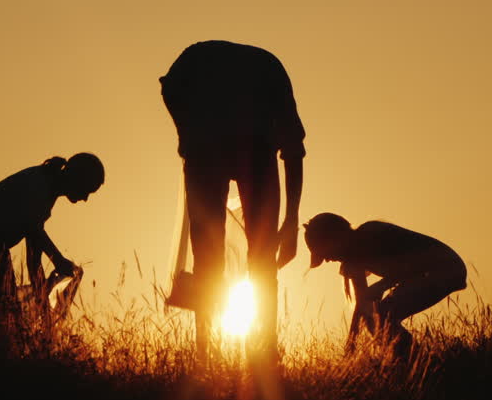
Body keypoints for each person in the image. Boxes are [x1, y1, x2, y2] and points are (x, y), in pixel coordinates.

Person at [160, 40, 306, 364]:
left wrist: (292, 220)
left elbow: (293, 149)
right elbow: (294, 151)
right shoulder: (204, 66)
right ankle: (221, 355)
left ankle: (254, 355)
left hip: (231, 151)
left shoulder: (266, 73)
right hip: (212, 151)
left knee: (233, 261)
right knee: (221, 261)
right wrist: (189, 139)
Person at [0, 153, 104, 348]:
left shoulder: (46, 192)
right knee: (3, 308)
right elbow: (32, 227)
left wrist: (43, 302)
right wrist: (58, 259)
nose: (85, 198)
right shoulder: (39, 185)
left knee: (5, 307)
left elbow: (33, 257)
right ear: (78, 178)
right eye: (87, 190)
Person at [303, 212, 467, 359]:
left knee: (381, 314)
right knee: (373, 315)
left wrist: (381, 286)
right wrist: (350, 345)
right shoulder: (352, 260)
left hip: (445, 268)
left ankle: (418, 362)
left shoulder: (371, 233)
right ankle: (408, 361)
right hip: (430, 273)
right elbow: (361, 304)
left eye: (324, 253)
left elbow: (412, 264)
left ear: (335, 238)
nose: (326, 260)